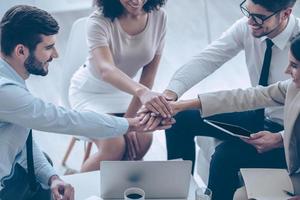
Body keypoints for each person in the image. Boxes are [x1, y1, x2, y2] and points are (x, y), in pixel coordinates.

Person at [0, 5, 172, 200]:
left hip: (17, 171)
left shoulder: (11, 78)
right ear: (21, 51)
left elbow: (21, 140)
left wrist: (52, 177)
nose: (56, 54)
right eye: (48, 48)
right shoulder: (5, 91)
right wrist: (131, 124)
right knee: (113, 147)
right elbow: (65, 120)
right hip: (6, 186)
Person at [158, 0, 300, 199]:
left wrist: (281, 138)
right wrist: (169, 98)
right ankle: (175, 193)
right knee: (180, 119)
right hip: (257, 114)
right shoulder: (248, 25)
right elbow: (207, 60)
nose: (250, 21)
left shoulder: (298, 46)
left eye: (259, 17)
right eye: (248, 12)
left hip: (290, 131)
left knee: (224, 156)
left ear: (285, 14)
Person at [69, 0, 171, 172]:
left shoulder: (159, 16)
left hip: (126, 91)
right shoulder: (98, 21)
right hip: (91, 92)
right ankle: (81, 191)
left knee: (143, 138)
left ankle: (118, 191)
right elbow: (106, 70)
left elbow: (148, 75)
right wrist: (141, 95)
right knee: (114, 146)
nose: (136, 1)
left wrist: (129, 122)